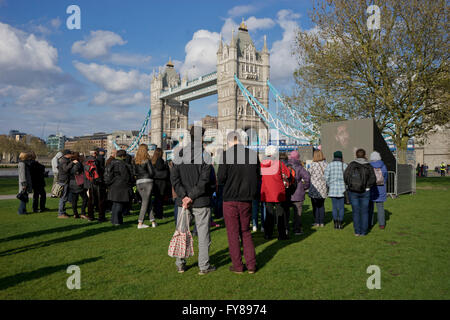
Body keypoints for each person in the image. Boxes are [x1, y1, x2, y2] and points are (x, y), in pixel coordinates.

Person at [170, 125, 216, 275]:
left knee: (182, 232)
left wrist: (184, 196)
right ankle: (204, 266)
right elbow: (204, 181)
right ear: (201, 137)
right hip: (200, 200)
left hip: (183, 201)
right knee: (203, 235)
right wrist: (190, 196)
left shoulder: (178, 154)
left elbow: (174, 179)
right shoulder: (205, 155)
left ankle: (180, 264)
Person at [217, 131, 259, 274]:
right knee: (246, 232)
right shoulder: (252, 155)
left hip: (230, 198)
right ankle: (251, 265)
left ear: (229, 142)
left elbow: (221, 178)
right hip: (246, 198)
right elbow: (257, 174)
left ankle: (238, 265)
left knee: (233, 233)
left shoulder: (226, 155)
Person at [260, 145, 290, 240]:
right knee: (280, 214)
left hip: (267, 191)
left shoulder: (262, 164)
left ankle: (268, 234)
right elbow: (288, 174)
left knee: (269, 214)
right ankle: (281, 234)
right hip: (278, 191)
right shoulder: (279, 163)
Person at [344, 148, 376, 236]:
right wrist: (367, 186)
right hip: (365, 191)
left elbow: (345, 176)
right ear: (365, 155)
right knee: (365, 212)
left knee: (356, 211)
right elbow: (373, 178)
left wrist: (349, 185)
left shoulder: (351, 165)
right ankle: (363, 231)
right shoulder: (369, 165)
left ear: (356, 155)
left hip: (353, 191)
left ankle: (357, 231)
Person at [104, 149, 134, 226]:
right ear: (123, 156)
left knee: (115, 204)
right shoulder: (122, 164)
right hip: (121, 186)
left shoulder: (111, 162)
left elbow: (107, 175)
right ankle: (117, 221)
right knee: (119, 205)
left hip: (113, 185)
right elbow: (125, 176)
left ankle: (114, 220)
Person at [287, 150, 311, 235]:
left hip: (287, 192)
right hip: (298, 192)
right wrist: (305, 187)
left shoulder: (286, 166)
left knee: (286, 212)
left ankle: (286, 229)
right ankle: (297, 229)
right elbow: (307, 178)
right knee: (297, 213)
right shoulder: (299, 167)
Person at [134, 144, 155, 229]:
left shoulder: (135, 161)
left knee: (147, 201)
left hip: (139, 182)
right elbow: (151, 172)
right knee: (145, 202)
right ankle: (140, 222)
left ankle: (153, 221)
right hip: (147, 181)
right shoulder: (147, 160)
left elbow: (134, 172)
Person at [324, 151, 347, 230]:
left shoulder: (329, 165)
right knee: (341, 207)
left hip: (333, 189)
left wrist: (330, 185)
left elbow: (326, 178)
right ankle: (340, 223)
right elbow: (347, 178)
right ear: (341, 157)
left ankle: (335, 224)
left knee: (334, 207)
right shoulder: (344, 165)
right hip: (342, 189)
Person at [368, 151, 388, 230]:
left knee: (370, 207)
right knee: (380, 207)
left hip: (371, 188)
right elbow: (385, 176)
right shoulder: (383, 166)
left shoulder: (369, 166)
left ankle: (369, 223)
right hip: (381, 188)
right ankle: (382, 224)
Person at [308, 150, 328, 227]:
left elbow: (308, 174)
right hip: (323, 187)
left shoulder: (313, 165)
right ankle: (322, 222)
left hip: (314, 188)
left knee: (315, 206)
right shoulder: (326, 164)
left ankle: (317, 221)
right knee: (321, 205)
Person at [151, 148, 170, 222]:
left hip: (155, 182)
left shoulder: (152, 161)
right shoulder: (160, 161)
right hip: (161, 182)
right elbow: (161, 168)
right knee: (160, 200)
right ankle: (159, 214)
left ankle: (156, 213)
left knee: (157, 199)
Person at [69, 152, 88, 219]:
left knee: (74, 200)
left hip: (71, 183)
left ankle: (75, 213)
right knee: (85, 198)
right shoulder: (78, 164)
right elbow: (79, 171)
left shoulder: (69, 163)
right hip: (78, 183)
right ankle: (82, 212)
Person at [57, 150, 74, 219]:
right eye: (70, 154)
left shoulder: (65, 160)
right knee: (63, 198)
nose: (71, 155)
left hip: (64, 180)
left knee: (64, 197)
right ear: (67, 154)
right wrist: (72, 163)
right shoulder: (64, 161)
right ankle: (61, 213)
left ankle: (63, 212)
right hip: (64, 181)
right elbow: (66, 169)